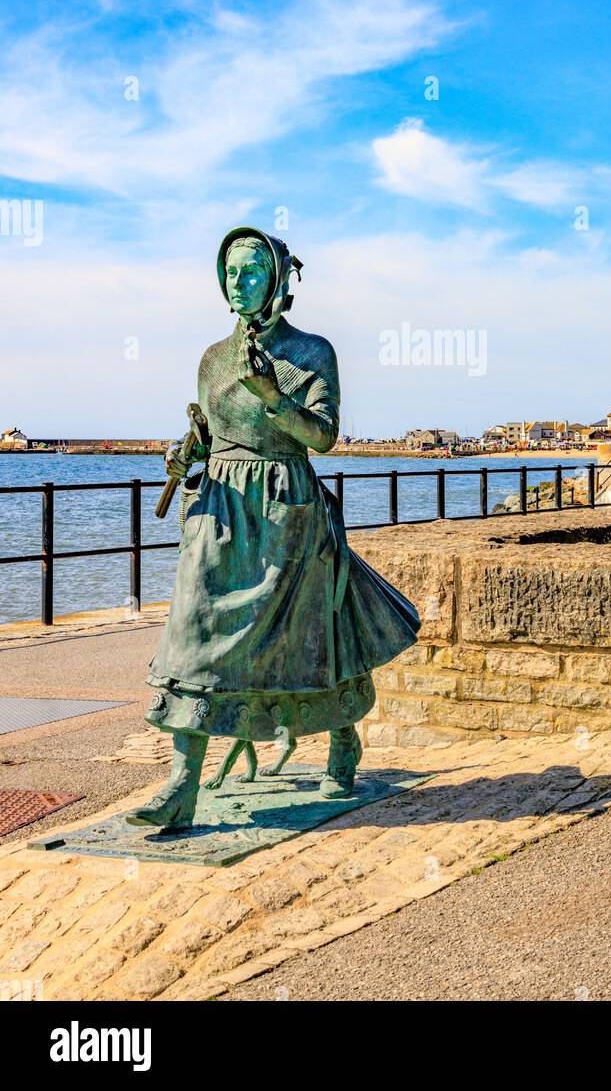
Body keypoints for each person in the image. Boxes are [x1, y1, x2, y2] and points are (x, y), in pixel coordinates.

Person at [127, 227, 420, 830]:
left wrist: (271, 395)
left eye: (253, 271)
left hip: (288, 511)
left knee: (310, 635)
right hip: (222, 508)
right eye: (231, 272)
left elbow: (323, 436)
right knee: (193, 632)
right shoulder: (212, 359)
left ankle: (342, 739)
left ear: (279, 281)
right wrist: (186, 459)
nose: (239, 282)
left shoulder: (313, 353)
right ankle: (182, 784)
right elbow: (212, 434)